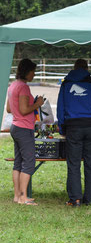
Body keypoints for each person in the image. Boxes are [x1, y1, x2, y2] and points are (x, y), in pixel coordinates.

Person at [57, 59, 91, 206]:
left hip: (73, 126)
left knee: (74, 163)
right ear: (87, 68)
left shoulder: (66, 83)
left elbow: (61, 107)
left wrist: (61, 128)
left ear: (74, 68)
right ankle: (90, 199)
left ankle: (75, 198)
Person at [6, 59, 45, 205]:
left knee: (18, 163)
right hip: (24, 128)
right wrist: (37, 104)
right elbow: (23, 110)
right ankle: (23, 197)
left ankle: (17, 196)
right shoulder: (23, 88)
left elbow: (10, 109)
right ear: (27, 72)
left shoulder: (13, 85)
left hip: (15, 127)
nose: (34, 74)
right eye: (33, 71)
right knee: (29, 162)